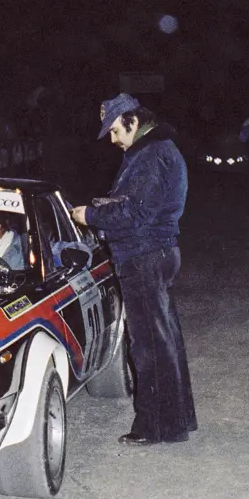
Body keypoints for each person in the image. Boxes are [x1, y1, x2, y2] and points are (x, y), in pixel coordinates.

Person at [71, 93, 196, 445]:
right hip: (157, 252)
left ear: (132, 121)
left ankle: (154, 428)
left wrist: (90, 215)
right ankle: (176, 421)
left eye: (114, 131)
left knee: (148, 346)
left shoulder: (151, 155)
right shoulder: (157, 150)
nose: (113, 140)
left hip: (143, 256)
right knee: (165, 339)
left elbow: (136, 214)